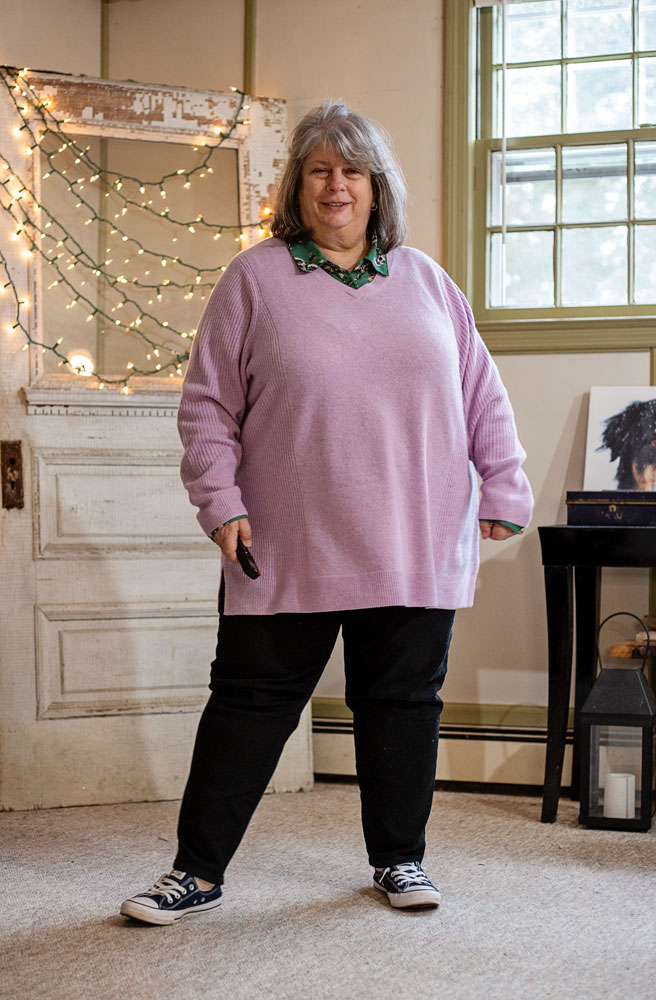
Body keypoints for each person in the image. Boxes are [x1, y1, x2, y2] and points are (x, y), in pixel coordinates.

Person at [120, 101, 533, 925]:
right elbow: (207, 407)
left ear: (377, 188)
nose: (335, 184)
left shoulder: (425, 281)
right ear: (297, 187)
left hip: (414, 534)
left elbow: (481, 393)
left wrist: (505, 486)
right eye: (319, 169)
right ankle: (196, 873)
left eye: (352, 170)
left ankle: (400, 859)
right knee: (248, 706)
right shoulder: (256, 278)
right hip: (286, 541)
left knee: (402, 705)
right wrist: (220, 503)